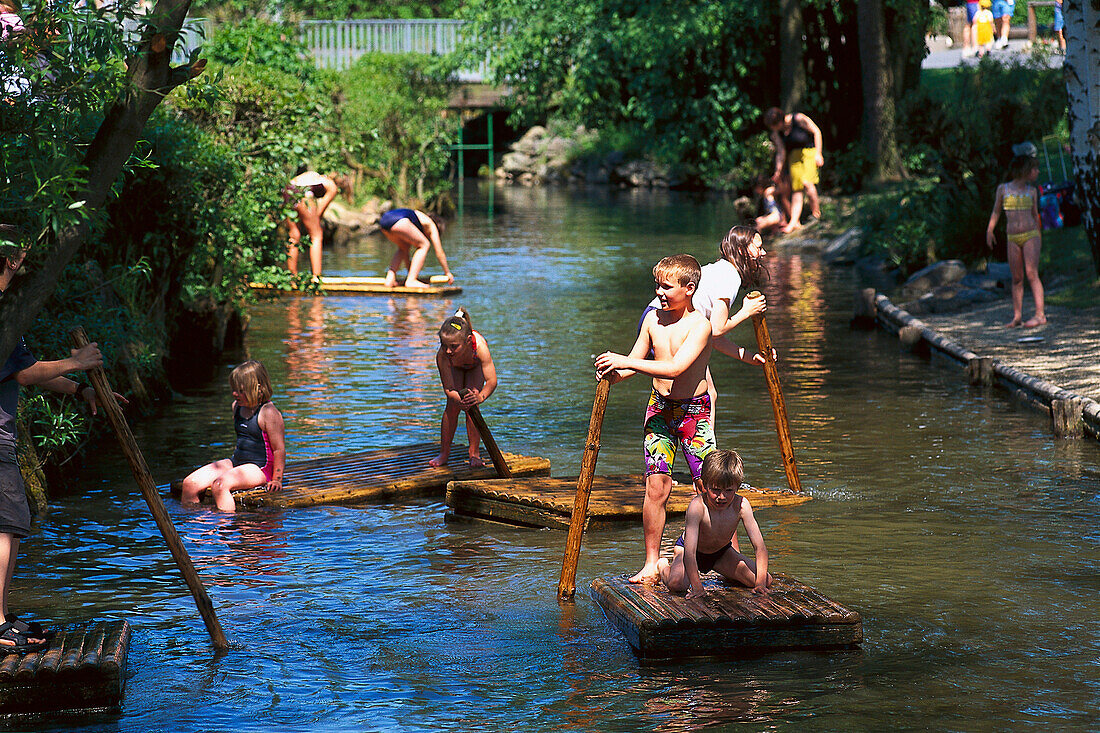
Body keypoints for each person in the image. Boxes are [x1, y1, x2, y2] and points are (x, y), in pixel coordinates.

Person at [0, 235, 121, 651]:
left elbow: (24, 368)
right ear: (11, 257)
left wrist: (79, 389)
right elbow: (24, 373)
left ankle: (2, 616)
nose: (24, 260)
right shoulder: (0, 311)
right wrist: (77, 361)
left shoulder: (7, 313)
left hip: (2, 435)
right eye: (20, 253)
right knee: (5, 525)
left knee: (12, 526)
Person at [595, 254, 717, 585]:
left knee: (709, 487)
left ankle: (724, 554)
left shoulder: (700, 326)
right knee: (656, 486)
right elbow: (635, 362)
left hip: (693, 412)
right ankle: (651, 563)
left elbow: (676, 368)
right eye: (657, 286)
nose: (659, 292)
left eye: (667, 286)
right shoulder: (652, 320)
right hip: (659, 410)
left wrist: (627, 362)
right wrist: (613, 372)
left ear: (689, 289)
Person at [657, 449, 772, 598]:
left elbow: (760, 547)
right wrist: (697, 587)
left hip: (720, 554)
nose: (721, 497)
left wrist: (760, 584)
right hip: (690, 552)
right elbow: (690, 552)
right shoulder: (697, 506)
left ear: (737, 487)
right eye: (715, 490)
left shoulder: (742, 505)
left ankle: (728, 573)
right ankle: (663, 566)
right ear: (705, 485)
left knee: (766, 579)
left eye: (729, 490)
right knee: (677, 584)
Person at [180, 360, 286, 512]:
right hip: (237, 461)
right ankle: (197, 528)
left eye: (241, 390)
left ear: (258, 389)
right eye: (234, 389)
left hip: (260, 468)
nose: (235, 394)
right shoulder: (236, 407)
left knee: (220, 485)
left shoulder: (269, 413)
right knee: (190, 483)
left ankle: (228, 530)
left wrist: (277, 479)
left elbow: (279, 450)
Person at [429, 308, 497, 469]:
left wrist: (480, 397)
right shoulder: (443, 355)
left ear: (467, 341)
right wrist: (458, 399)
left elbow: (492, 381)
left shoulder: (479, 347)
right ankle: (444, 453)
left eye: (453, 346)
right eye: (444, 345)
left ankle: (474, 453)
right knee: (452, 406)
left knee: (472, 401)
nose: (448, 350)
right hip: (455, 368)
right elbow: (449, 388)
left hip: (474, 367)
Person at [986, 146, 1046, 329]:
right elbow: (996, 211)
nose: (1037, 172)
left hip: (1030, 235)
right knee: (1017, 277)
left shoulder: (1032, 191)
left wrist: (1039, 236)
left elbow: (1035, 215)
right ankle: (1017, 316)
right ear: (1025, 170)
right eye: (1034, 169)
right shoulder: (1003, 189)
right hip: (1012, 237)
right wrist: (990, 230)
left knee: (1031, 273)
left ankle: (1040, 314)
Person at [764, 107, 823, 234]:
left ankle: (816, 214)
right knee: (797, 190)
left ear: (779, 120)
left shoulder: (798, 119)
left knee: (808, 183)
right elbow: (781, 152)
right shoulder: (778, 133)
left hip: (808, 153)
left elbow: (816, 132)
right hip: (793, 159)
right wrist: (778, 171)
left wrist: (818, 153)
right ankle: (794, 222)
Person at [284, 166, 339, 279]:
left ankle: (291, 277)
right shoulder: (332, 186)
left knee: (294, 235)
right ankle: (316, 277)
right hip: (304, 193)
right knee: (316, 235)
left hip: (288, 190)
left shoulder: (314, 177)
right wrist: (313, 222)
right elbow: (319, 212)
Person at [378, 208, 455, 289]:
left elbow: (406, 255)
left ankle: (390, 279)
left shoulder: (418, 219)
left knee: (403, 248)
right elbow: (439, 252)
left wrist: (410, 273)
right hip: (400, 221)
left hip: (384, 221)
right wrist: (447, 272)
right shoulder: (432, 225)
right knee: (424, 244)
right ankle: (411, 280)